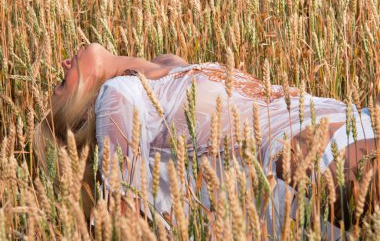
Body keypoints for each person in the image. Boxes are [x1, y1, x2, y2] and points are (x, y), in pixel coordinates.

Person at [36, 43, 376, 237]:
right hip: (307, 155)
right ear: (82, 110)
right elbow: (124, 213)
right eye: (61, 83)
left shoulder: (163, 67)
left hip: (351, 119)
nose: (64, 62)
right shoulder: (117, 97)